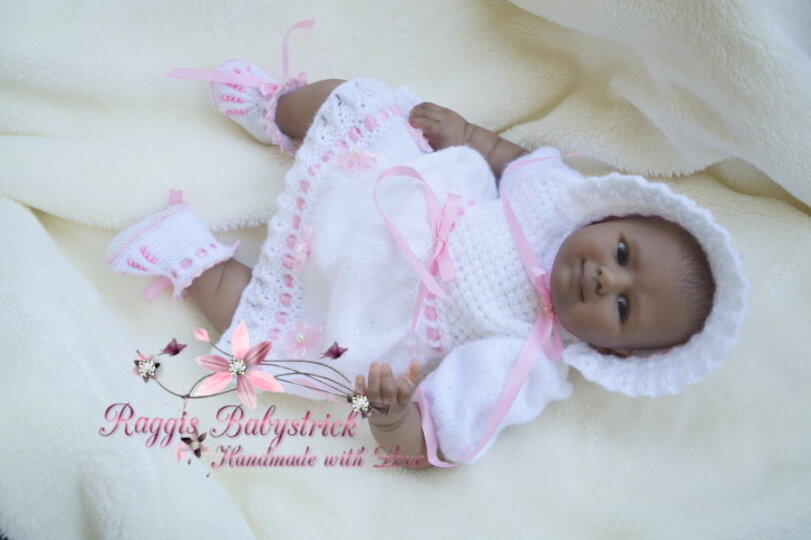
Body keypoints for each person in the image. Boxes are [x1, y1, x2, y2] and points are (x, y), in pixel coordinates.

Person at [106, 54, 747, 468]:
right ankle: (280, 111)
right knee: (356, 99)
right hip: (393, 184)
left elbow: (438, 435)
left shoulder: (530, 362)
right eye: (623, 253)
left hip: (368, 296)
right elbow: (514, 161)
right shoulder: (557, 203)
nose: (607, 277)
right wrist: (468, 136)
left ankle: (192, 257)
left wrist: (392, 419)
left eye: (624, 306)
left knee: (267, 343)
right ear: (612, 218)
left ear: (616, 354)